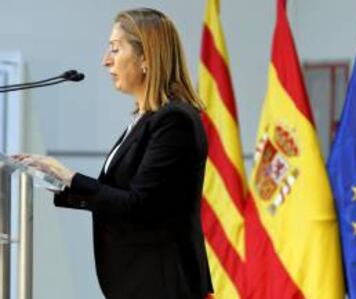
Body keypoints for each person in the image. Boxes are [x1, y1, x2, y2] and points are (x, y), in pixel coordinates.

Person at [13, 8, 213, 299]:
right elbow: (117, 194)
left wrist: (71, 177)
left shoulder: (174, 121)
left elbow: (139, 205)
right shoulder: (144, 119)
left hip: (162, 284)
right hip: (139, 283)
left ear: (146, 57)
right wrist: (56, 180)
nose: (105, 60)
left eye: (115, 49)